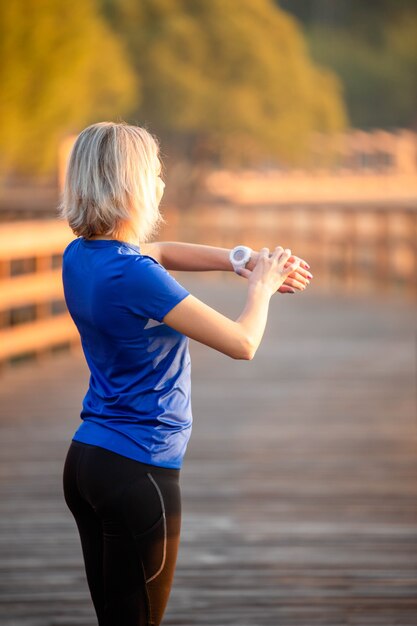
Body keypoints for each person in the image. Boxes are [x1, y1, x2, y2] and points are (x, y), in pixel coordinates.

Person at [60, 121, 312, 626]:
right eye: (154, 174)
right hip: (139, 469)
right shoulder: (136, 276)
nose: (162, 185)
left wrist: (241, 259)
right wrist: (262, 287)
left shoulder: (83, 256)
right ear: (128, 184)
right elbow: (242, 343)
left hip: (88, 460)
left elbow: (164, 251)